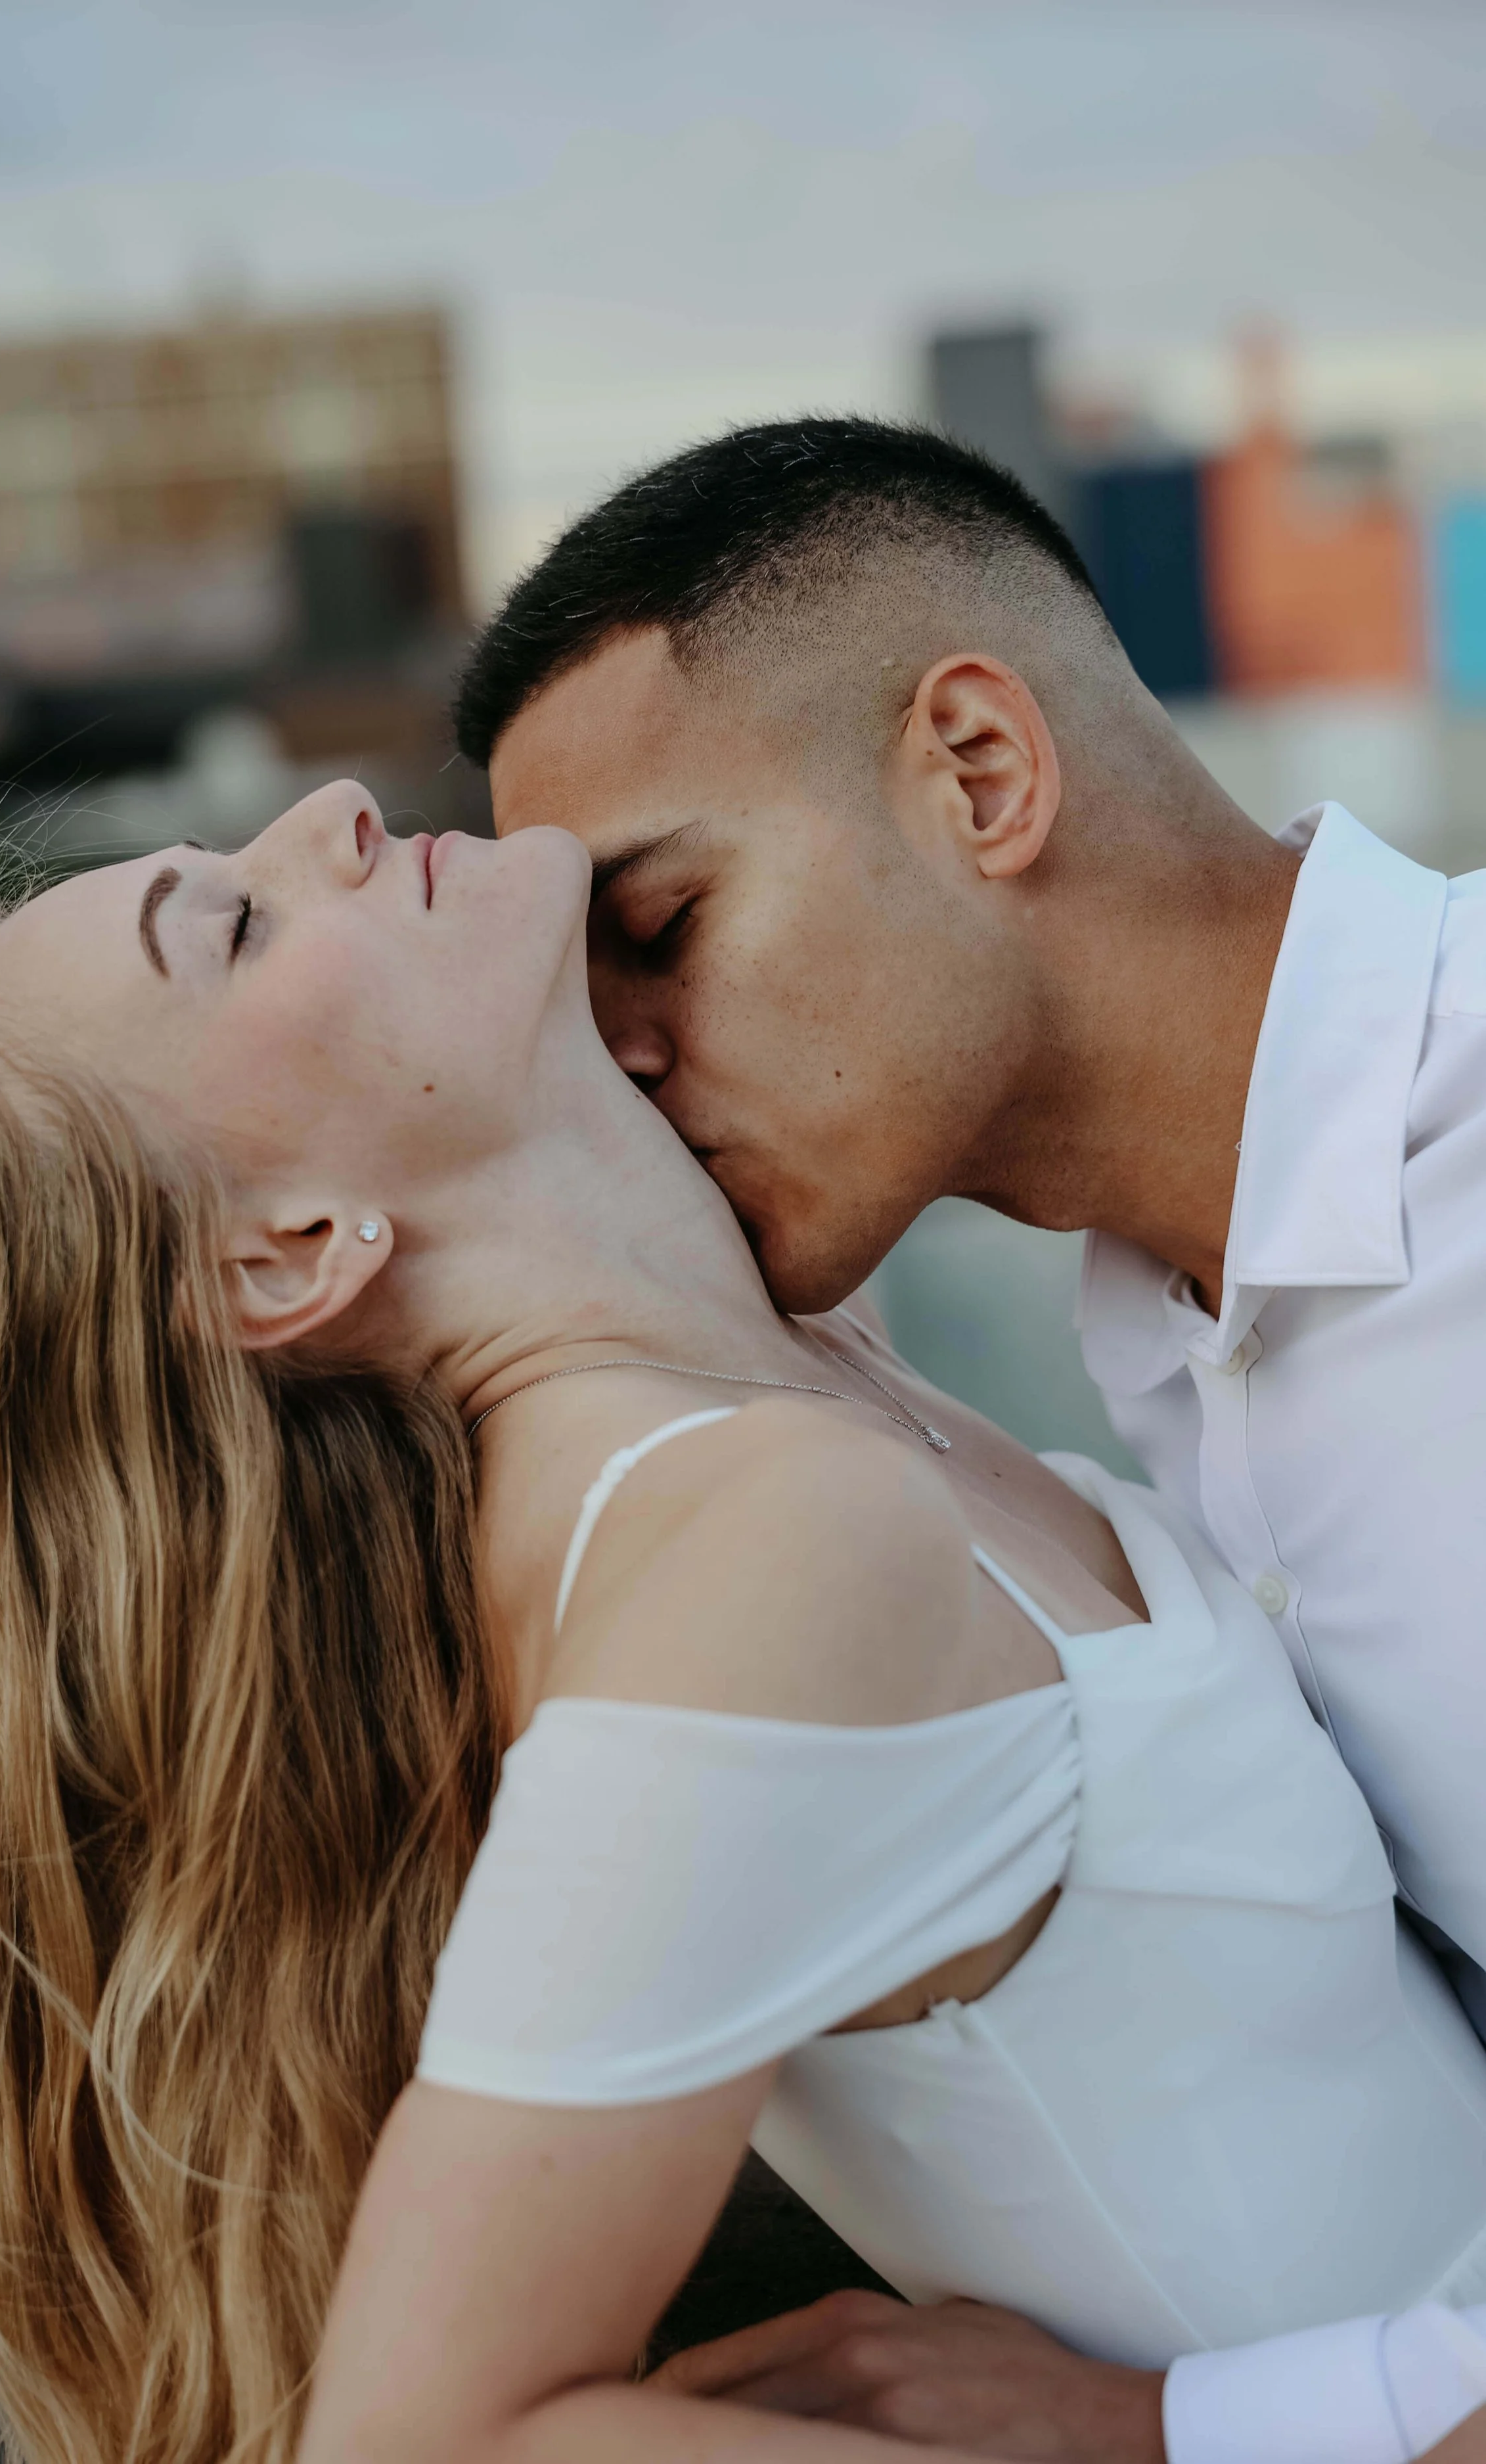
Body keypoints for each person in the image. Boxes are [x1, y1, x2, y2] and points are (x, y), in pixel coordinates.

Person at [0, 787, 1485, 2464]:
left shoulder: (797, 1366)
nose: (329, 813)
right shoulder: (745, 1532)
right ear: (279, 1259)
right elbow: (425, 2442)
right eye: (237, 928)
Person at [453, 411, 1486, 2462]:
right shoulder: (1144, 1351)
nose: (630, 1063)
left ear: (979, 770)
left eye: (655, 929)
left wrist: (1174, 2428)